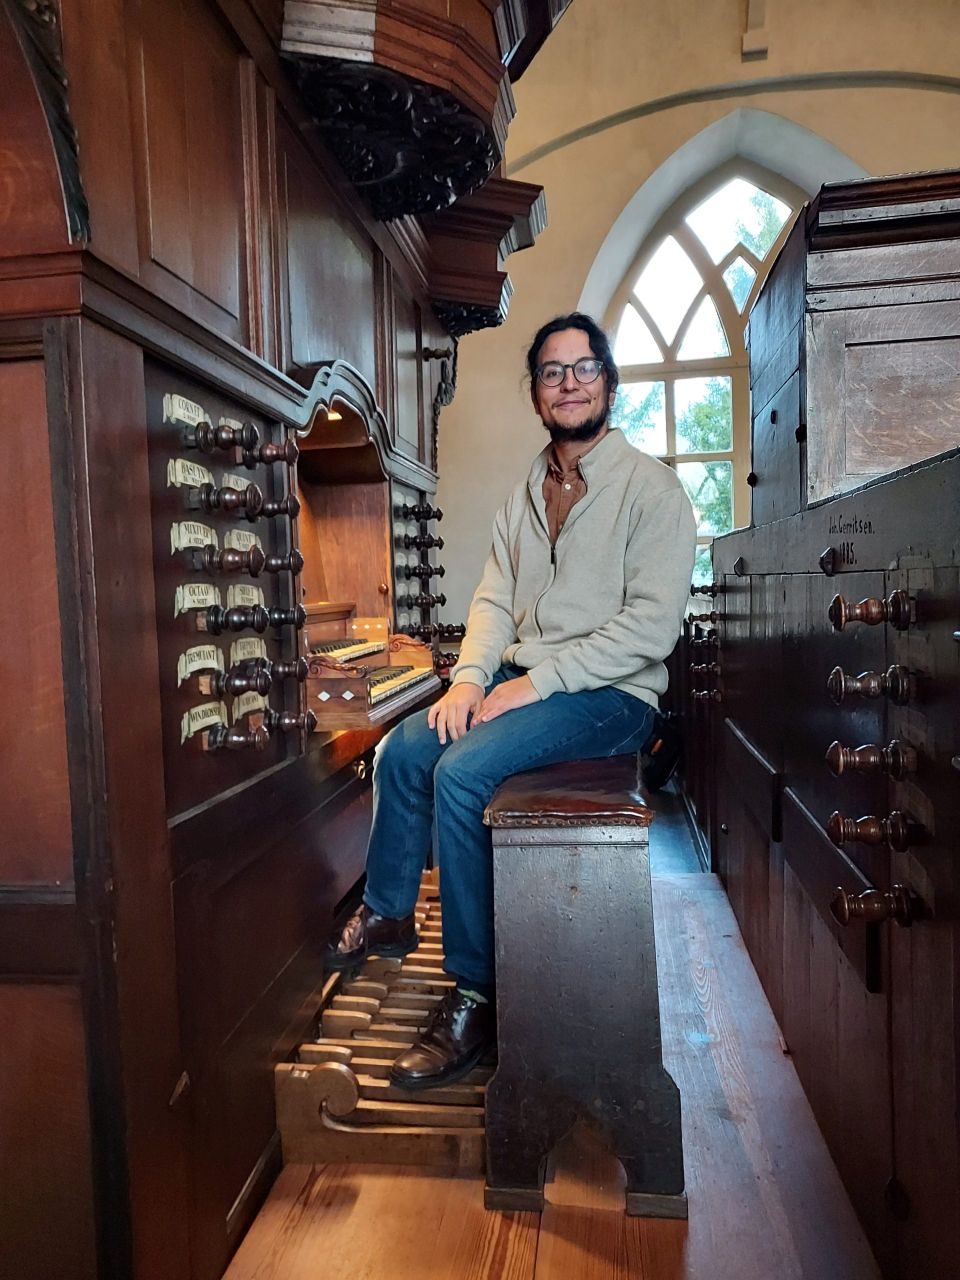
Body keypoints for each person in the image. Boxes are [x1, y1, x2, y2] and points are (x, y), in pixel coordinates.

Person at [325, 312, 697, 1089]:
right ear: (536, 395)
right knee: (405, 748)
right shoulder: (528, 490)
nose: (569, 383)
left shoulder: (653, 489)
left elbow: (650, 629)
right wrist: (467, 678)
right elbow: (493, 601)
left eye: (584, 368)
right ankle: (392, 911)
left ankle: (475, 993)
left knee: (461, 771)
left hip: (612, 695)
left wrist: (531, 684)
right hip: (525, 683)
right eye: (553, 372)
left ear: (609, 384)